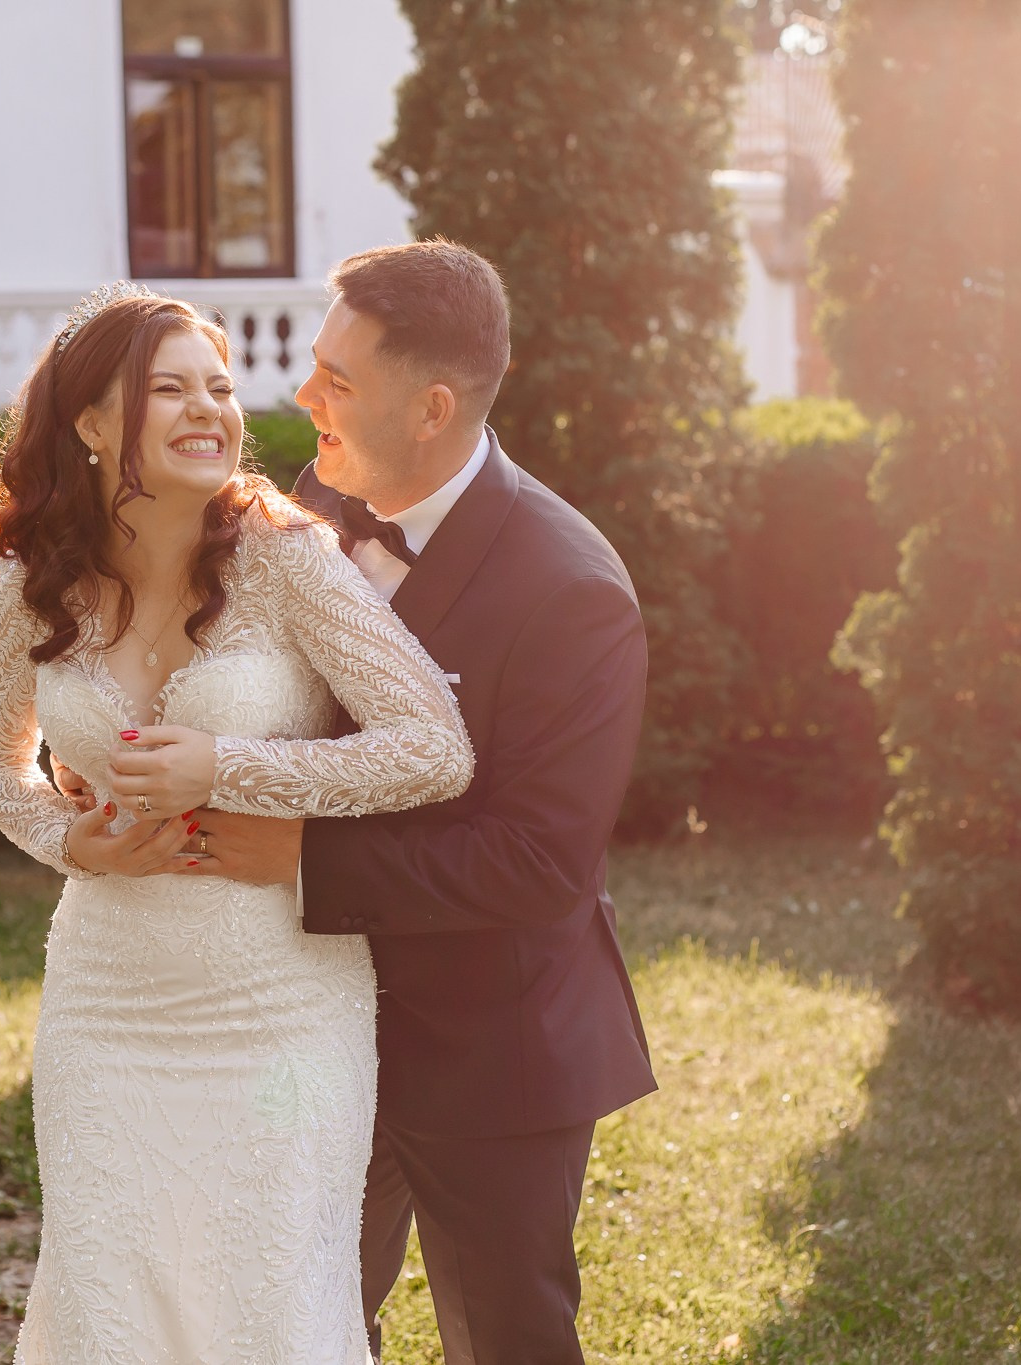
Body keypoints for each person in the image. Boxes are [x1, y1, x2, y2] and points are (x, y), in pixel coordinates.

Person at [0, 281, 474, 1365]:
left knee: (267, 1310)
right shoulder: (30, 581)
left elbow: (433, 745)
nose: (209, 409)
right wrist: (68, 839)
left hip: (279, 1006)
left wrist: (230, 765)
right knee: (111, 1308)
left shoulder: (287, 557)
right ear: (92, 424)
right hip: (107, 1004)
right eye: (169, 389)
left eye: (220, 388)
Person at [163, 241, 658, 1363]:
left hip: (492, 1043)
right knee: (298, 1324)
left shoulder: (572, 591)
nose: (303, 396)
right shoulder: (308, 506)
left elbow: (538, 863)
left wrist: (300, 860)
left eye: (336, 379)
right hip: (311, 1019)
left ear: (431, 408)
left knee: (505, 1338)